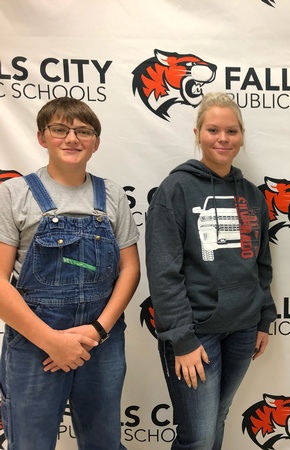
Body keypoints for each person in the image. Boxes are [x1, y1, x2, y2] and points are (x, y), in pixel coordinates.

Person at [0, 97, 141, 449]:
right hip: (34, 342)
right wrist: (52, 341)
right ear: (42, 137)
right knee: (30, 443)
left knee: (104, 441)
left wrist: (98, 330)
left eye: (83, 131)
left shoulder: (112, 195)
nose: (72, 138)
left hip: (101, 342)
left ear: (96, 142)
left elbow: (130, 269)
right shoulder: (14, 194)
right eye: (60, 129)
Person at [145, 92, 276, 450]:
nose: (223, 138)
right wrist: (182, 339)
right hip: (196, 334)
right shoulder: (175, 189)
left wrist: (263, 318)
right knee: (198, 438)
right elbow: (163, 271)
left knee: (218, 418)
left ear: (242, 136)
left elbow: (261, 262)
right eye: (213, 130)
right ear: (198, 133)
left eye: (232, 131)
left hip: (243, 329)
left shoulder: (251, 195)